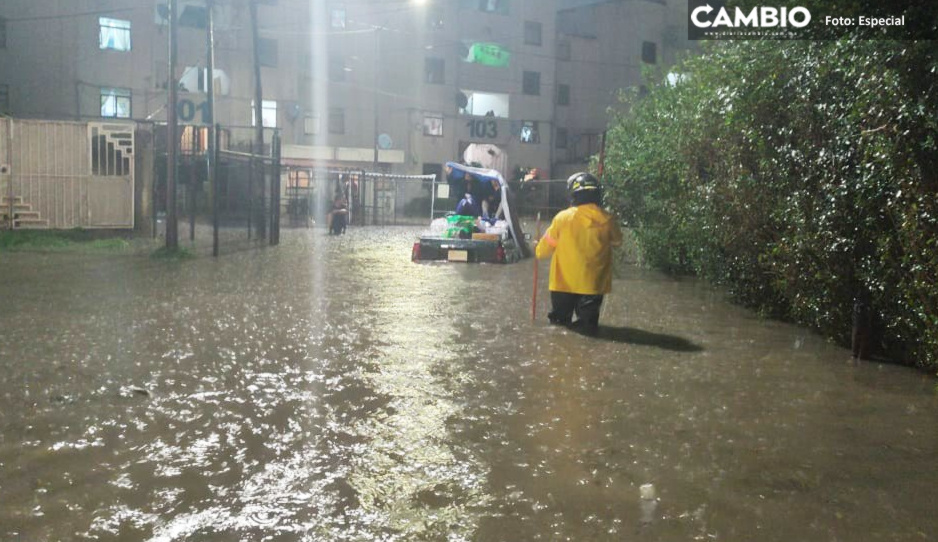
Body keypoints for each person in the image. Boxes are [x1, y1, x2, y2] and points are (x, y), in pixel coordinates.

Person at [535, 172, 622, 335]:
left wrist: (537, 248)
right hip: (593, 284)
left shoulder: (562, 218)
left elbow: (543, 251)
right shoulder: (608, 220)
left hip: (562, 284)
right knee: (588, 330)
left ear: (573, 195)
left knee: (558, 327)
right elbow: (617, 241)